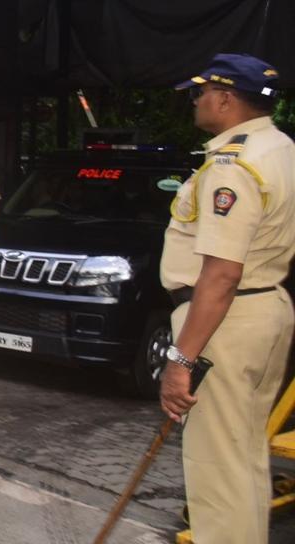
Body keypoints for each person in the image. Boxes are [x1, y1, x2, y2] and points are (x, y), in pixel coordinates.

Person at [159, 54, 295, 544]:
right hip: (266, 309)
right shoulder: (281, 148)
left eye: (199, 93)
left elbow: (220, 275)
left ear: (224, 97)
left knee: (216, 468)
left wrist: (181, 360)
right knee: (244, 460)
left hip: (225, 323)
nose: (195, 101)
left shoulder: (231, 163)